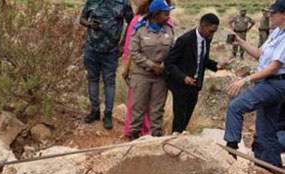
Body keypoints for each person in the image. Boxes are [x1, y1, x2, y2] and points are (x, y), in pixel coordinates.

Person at [224, 0, 285, 170]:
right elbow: (260, 54)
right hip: (269, 83)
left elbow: (274, 67)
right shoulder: (276, 33)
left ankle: (231, 150)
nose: (269, 16)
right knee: (265, 133)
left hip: (275, 84)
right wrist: (241, 42)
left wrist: (245, 80)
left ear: (283, 14)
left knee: (236, 106)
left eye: (273, 13)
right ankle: (272, 168)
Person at [79, 0, 134, 129]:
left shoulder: (123, 3)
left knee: (109, 81)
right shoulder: (92, 1)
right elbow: (82, 18)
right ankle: (95, 111)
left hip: (111, 51)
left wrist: (122, 45)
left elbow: (132, 23)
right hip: (91, 48)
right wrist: (90, 24)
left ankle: (108, 114)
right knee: (92, 79)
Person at [165, 14, 223, 134]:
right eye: (211, 31)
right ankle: (175, 141)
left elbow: (202, 59)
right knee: (179, 119)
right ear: (203, 25)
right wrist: (183, 77)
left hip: (195, 85)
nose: (212, 34)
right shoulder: (185, 40)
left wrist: (216, 65)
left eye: (214, 32)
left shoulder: (207, 40)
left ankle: (182, 139)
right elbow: (170, 62)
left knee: (187, 117)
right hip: (181, 86)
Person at [128, 0, 174, 138]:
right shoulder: (140, 29)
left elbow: (173, 51)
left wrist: (164, 66)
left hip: (160, 76)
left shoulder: (169, 30)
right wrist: (151, 65)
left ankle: (156, 137)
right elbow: (134, 52)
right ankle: (134, 135)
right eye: (165, 14)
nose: (168, 17)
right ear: (156, 15)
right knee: (138, 107)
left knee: (157, 109)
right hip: (141, 75)